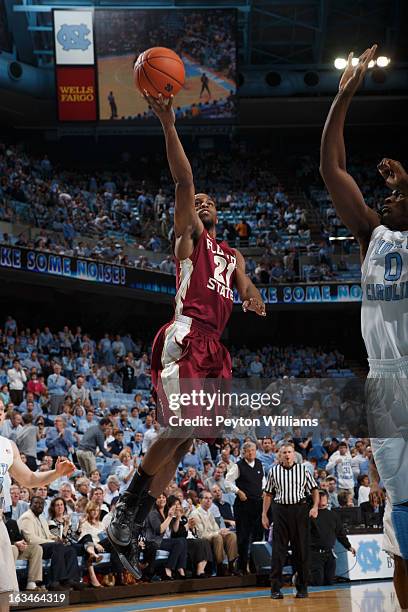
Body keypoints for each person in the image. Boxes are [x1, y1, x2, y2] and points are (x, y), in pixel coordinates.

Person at [106, 91, 266, 577]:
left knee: (187, 441)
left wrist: (252, 295)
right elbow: (183, 178)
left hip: (216, 349)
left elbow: (245, 286)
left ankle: (131, 521)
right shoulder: (187, 240)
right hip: (187, 337)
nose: (202, 202)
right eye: (196, 203)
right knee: (175, 431)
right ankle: (125, 512)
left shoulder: (231, 254)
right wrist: (169, 124)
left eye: (207, 202)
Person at [320, 44, 408, 608]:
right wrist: (344, 94)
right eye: (390, 193)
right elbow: (331, 168)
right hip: (383, 380)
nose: (388, 196)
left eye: (399, 194)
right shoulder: (371, 235)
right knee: (401, 519)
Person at [0, 399, 75, 606]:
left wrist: (56, 473)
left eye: (1, 409)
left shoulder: (8, 446)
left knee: (4, 592)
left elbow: (30, 479)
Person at [262, 443, 319, 599]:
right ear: (279, 455)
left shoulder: (303, 470)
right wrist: (264, 514)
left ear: (294, 454)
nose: (287, 455)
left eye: (289, 452)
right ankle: (275, 588)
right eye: (284, 452)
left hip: (300, 510)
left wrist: (314, 507)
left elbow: (315, 490)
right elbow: (268, 494)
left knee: (301, 550)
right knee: (278, 551)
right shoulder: (273, 471)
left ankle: (302, 587)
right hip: (280, 510)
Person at [225, 441, 264, 574]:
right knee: (243, 537)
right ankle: (241, 567)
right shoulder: (238, 466)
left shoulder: (259, 463)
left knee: (258, 537)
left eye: (253, 450)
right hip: (243, 505)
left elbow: (261, 480)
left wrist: (264, 490)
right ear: (244, 453)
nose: (251, 452)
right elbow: (227, 482)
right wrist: (238, 491)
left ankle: (255, 566)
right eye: (248, 451)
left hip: (258, 504)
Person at [309, 490, 356, 586]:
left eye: (324, 496)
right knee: (317, 582)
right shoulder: (310, 514)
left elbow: (340, 533)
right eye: (320, 496)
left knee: (330, 582)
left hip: (329, 553)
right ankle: (300, 577)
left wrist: (349, 546)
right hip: (315, 554)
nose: (323, 498)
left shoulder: (333, 515)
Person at [191, 491, 238, 576]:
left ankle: (231, 565)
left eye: (210, 498)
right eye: (206, 498)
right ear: (200, 500)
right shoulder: (195, 513)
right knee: (218, 537)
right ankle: (220, 566)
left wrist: (222, 531)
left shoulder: (210, 513)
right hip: (202, 538)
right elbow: (201, 533)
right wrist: (218, 532)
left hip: (213, 535)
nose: (208, 500)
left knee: (231, 535)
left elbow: (216, 528)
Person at [143, 494, 188, 580]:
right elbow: (159, 530)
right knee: (178, 542)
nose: (161, 499)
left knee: (183, 540)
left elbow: (175, 530)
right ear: (155, 500)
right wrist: (170, 516)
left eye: (163, 497)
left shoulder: (166, 511)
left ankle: (180, 568)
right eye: (159, 497)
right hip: (154, 541)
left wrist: (178, 517)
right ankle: (168, 569)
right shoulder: (153, 513)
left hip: (165, 541)